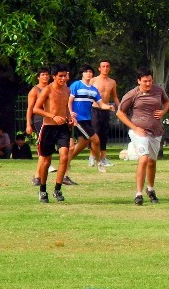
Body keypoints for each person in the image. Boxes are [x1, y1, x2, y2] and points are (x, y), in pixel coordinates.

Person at [115, 66, 169, 205]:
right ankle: (138, 194)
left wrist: (163, 111)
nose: (148, 84)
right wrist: (135, 128)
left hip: (156, 131)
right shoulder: (132, 94)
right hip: (139, 132)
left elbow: (166, 102)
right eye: (145, 81)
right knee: (144, 159)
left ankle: (150, 189)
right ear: (138, 81)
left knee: (152, 162)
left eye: (150, 81)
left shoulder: (159, 90)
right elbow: (120, 113)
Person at [33, 64, 73, 202]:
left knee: (64, 156)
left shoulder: (67, 90)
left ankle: (57, 189)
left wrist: (70, 118)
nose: (63, 79)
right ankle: (43, 190)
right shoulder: (47, 90)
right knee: (46, 161)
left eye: (64, 76)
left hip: (62, 128)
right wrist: (52, 116)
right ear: (54, 76)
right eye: (60, 76)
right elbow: (36, 109)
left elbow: (66, 108)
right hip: (48, 128)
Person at [68, 65, 114, 173]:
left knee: (82, 144)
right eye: (86, 72)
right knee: (96, 140)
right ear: (82, 74)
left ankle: (67, 161)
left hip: (87, 119)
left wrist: (109, 107)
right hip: (78, 119)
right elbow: (69, 101)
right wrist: (70, 113)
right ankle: (99, 163)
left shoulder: (94, 90)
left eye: (90, 72)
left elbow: (101, 104)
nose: (88, 73)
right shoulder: (76, 85)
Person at [91, 59, 119, 168]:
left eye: (107, 66)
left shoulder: (112, 82)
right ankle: (92, 156)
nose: (105, 68)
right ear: (99, 68)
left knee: (104, 134)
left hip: (106, 110)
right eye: (103, 66)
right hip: (94, 109)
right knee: (95, 134)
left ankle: (103, 158)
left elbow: (115, 96)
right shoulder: (93, 80)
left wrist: (120, 107)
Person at [27, 67, 50, 185]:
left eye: (47, 75)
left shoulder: (51, 88)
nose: (45, 77)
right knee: (44, 146)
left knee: (47, 147)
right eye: (43, 75)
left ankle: (39, 175)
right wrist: (28, 124)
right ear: (38, 77)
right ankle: (38, 175)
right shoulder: (35, 90)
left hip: (50, 119)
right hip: (39, 120)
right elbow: (30, 109)